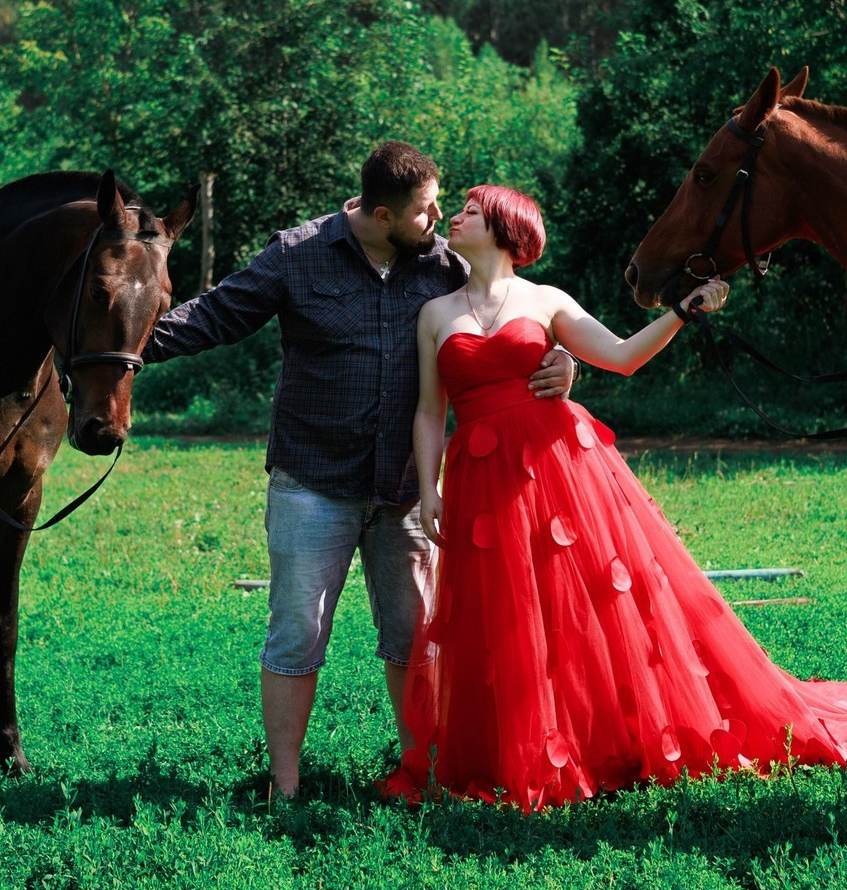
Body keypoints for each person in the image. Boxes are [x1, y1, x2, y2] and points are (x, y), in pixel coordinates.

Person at [385, 185, 847, 811]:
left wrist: (680, 312)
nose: (455, 217)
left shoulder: (546, 300)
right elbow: (430, 412)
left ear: (506, 227)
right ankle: (511, 745)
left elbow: (620, 357)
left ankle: (589, 739)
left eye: (471, 211)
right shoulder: (435, 313)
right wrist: (430, 488)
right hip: (480, 479)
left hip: (558, 468)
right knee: (503, 613)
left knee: (578, 609)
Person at [141, 146, 574, 798]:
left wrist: (565, 356)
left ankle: (419, 769)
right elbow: (213, 316)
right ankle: (283, 786)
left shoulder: (444, 263)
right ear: (380, 213)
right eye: (427, 208)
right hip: (312, 482)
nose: (438, 217)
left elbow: (515, 303)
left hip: (404, 489)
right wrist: (117, 350)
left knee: (412, 638)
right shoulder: (296, 253)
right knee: (297, 636)